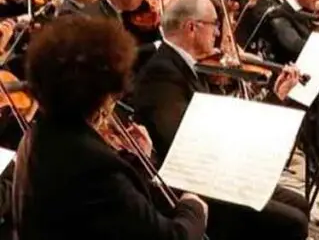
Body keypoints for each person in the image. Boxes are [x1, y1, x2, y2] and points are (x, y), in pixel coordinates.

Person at [131, 0, 309, 240]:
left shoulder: (185, 65)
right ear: (191, 27)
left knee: (299, 203)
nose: (217, 33)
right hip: (194, 188)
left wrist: (275, 97)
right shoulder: (162, 73)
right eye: (213, 24)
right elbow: (181, 141)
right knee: (292, 222)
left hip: (215, 173)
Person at [13, 15, 208, 240]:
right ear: (101, 91)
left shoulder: (36, 135)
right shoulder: (94, 166)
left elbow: (122, 212)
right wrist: (193, 208)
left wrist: (139, 161)